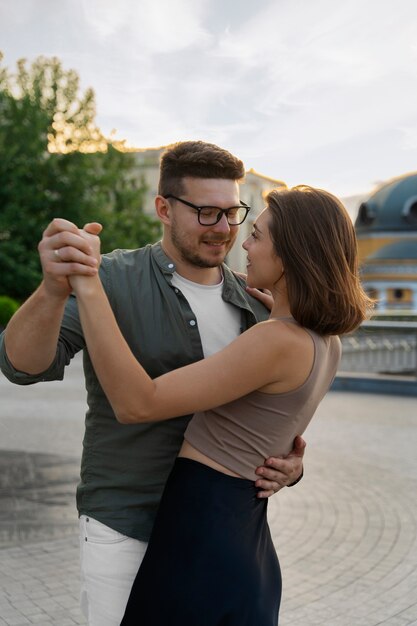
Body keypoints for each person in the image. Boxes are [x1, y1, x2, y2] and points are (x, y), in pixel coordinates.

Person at [0, 141, 305, 626]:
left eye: (232, 212)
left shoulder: (255, 305)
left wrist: (291, 464)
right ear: (163, 208)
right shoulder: (111, 279)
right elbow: (22, 365)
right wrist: (52, 288)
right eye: (206, 213)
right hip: (126, 523)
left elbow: (267, 415)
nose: (224, 229)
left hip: (215, 533)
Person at [67, 184, 372, 625]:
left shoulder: (274, 340)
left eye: (258, 235)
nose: (242, 243)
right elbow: (269, 424)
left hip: (203, 532)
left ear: (293, 255)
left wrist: (90, 284)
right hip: (241, 533)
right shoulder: (325, 342)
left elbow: (138, 403)